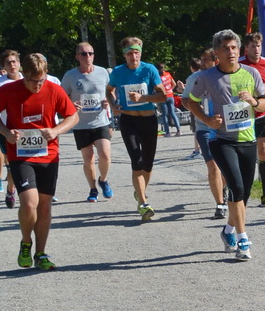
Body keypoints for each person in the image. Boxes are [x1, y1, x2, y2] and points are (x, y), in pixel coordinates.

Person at [183, 29, 265, 261]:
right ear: (217, 53)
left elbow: (264, 105)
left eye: (234, 48)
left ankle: (228, 230)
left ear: (238, 50)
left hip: (247, 140)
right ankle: (243, 239)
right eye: (225, 48)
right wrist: (208, 120)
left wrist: (253, 101)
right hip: (221, 141)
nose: (231, 52)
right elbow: (189, 101)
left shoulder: (251, 74)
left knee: (245, 194)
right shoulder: (207, 77)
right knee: (237, 189)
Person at [0, 51, 79, 270]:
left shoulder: (54, 89)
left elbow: (73, 116)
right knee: (30, 203)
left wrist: (56, 130)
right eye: (32, 81)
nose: (37, 86)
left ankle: (41, 253)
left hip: (48, 155)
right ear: (24, 74)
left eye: (41, 80)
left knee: (45, 206)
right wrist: (5, 132)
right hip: (20, 155)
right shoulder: (8, 90)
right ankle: (26, 242)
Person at [107, 38, 166, 220]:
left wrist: (143, 98)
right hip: (129, 121)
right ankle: (143, 203)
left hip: (148, 120)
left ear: (141, 52)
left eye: (137, 52)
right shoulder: (118, 72)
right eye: (130, 53)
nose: (134, 56)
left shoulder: (149, 69)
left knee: (148, 164)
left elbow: (163, 96)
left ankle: (140, 192)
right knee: (137, 160)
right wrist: (113, 104)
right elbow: (109, 90)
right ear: (124, 54)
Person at [62, 41, 114, 201]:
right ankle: (92, 189)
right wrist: (71, 104)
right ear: (77, 56)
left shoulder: (103, 72)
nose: (88, 57)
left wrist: (109, 102)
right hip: (81, 123)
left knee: (104, 154)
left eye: (90, 53)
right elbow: (62, 98)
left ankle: (103, 180)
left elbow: (111, 91)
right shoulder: (70, 76)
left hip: (101, 120)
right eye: (84, 54)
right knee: (88, 158)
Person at [183, 50, 227, 219]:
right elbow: (186, 101)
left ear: (216, 61)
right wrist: (201, 111)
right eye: (201, 60)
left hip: (225, 128)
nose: (202, 64)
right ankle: (220, 204)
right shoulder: (194, 78)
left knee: (225, 167)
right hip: (204, 128)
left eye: (206, 61)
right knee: (213, 166)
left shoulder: (224, 77)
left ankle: (223, 188)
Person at [241, 31, 265, 206]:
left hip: (264, 113)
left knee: (263, 150)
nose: (256, 49)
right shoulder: (239, 65)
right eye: (253, 46)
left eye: (259, 46)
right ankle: (234, 191)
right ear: (246, 48)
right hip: (243, 116)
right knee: (242, 156)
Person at [0, 49, 23, 204]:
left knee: (32, 161)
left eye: (14, 61)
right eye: (8, 63)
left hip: (27, 130)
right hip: (7, 130)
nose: (12, 65)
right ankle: (11, 188)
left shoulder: (27, 80)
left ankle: (36, 190)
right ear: (3, 66)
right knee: (13, 164)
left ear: (19, 64)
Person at [158, 67, 182, 136]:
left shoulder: (159, 77)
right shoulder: (168, 74)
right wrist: (170, 90)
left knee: (165, 115)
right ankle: (179, 130)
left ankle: (168, 132)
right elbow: (174, 84)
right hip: (171, 95)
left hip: (164, 96)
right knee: (173, 113)